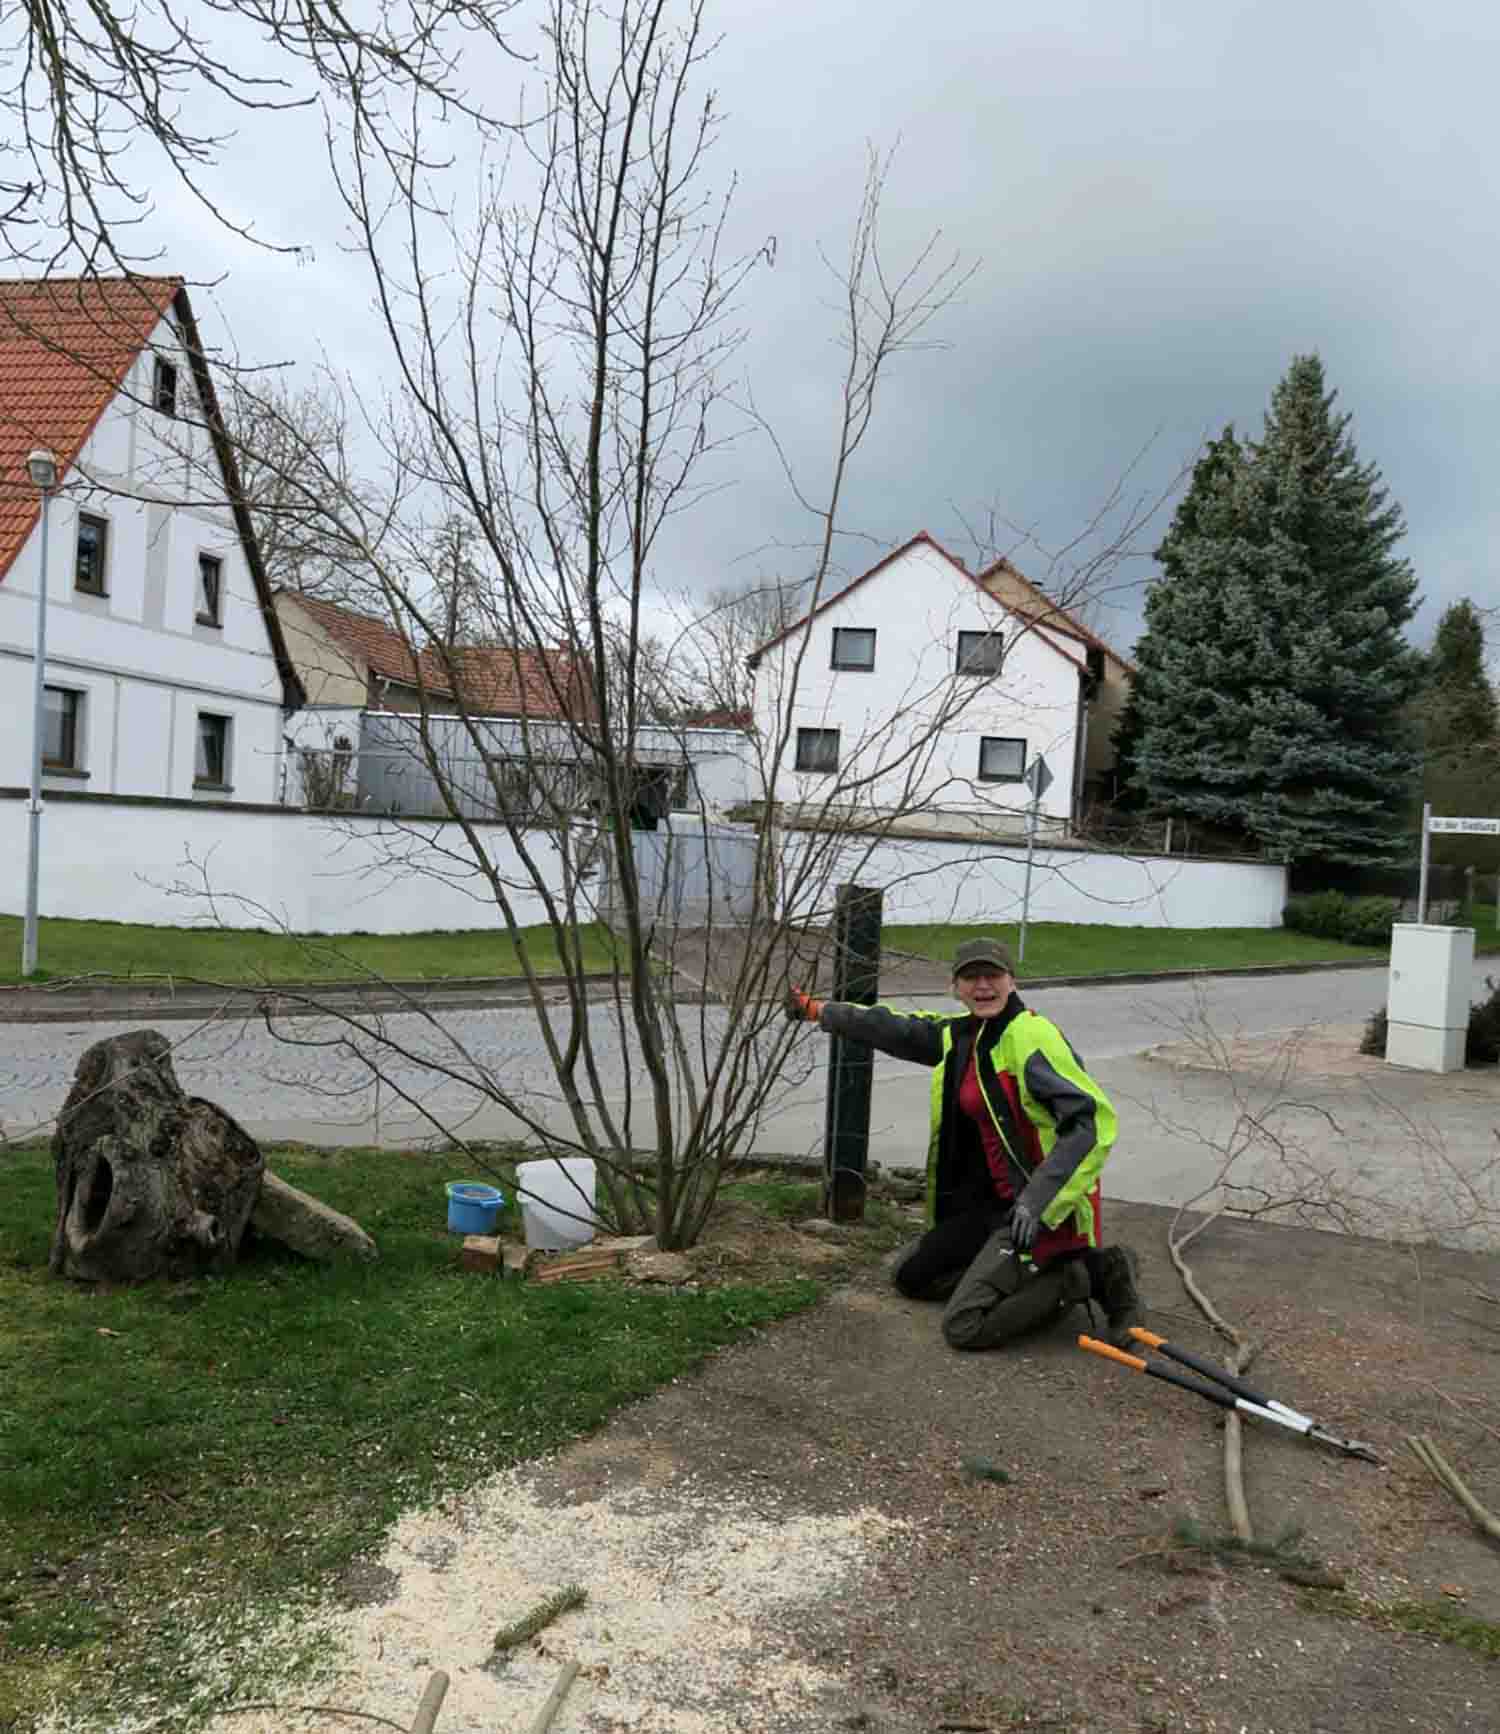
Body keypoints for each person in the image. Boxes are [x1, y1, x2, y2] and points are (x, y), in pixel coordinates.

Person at [786, 936, 1143, 1351]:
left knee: (964, 1325)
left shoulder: (1031, 1037)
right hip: (987, 1208)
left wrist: (1037, 1201)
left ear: (1012, 980)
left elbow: (1090, 1124)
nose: (982, 986)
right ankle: (1014, 1276)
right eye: (970, 977)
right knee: (913, 1277)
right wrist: (818, 1010)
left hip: (1035, 1212)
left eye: (992, 975)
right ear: (954, 987)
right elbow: (895, 1028)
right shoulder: (963, 1036)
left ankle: (1082, 1274)